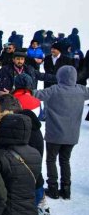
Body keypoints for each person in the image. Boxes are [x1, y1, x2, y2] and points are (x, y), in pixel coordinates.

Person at [33, 66, 89, 199]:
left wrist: (21, 89)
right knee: (65, 160)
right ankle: (66, 189)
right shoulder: (81, 90)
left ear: (59, 76)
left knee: (51, 160)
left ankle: (52, 188)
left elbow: (36, 94)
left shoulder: (54, 90)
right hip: (72, 135)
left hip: (55, 135)